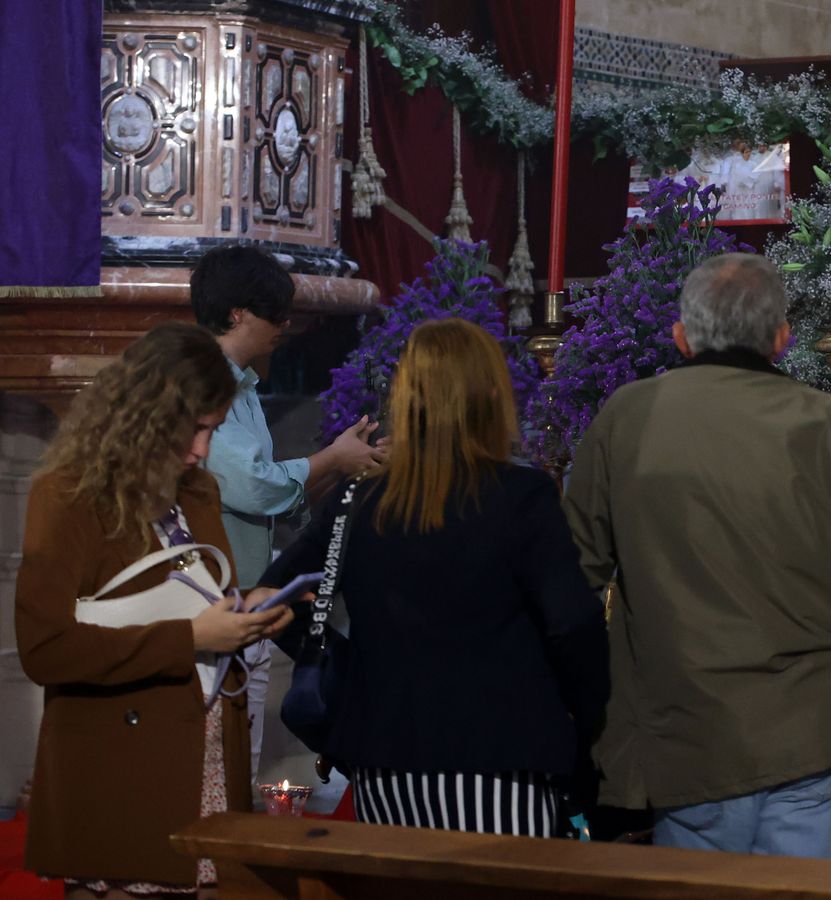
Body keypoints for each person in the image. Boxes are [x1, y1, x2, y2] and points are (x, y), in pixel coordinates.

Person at [563, 252, 831, 859]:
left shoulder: (627, 418)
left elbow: (572, 577)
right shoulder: (827, 422)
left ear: (681, 336)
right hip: (814, 726)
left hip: (683, 727)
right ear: (782, 338)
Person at [260, 318, 608, 836]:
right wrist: (588, 723)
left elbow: (271, 597)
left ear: (406, 399)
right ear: (491, 395)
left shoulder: (359, 499)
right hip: (500, 754)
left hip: (384, 756)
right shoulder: (521, 496)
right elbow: (574, 624)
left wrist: (346, 668)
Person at [16, 322, 295, 898]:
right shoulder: (69, 496)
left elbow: (197, 598)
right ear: (144, 416)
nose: (201, 451)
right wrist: (191, 638)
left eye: (213, 431)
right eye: (192, 430)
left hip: (206, 761)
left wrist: (246, 610)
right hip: (122, 772)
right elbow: (46, 649)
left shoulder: (197, 490)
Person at [189, 244, 386, 778]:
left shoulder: (244, 385)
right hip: (212, 602)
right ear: (238, 313)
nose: (285, 324)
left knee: (241, 760)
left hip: (245, 595)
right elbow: (253, 487)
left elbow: (273, 499)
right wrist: (332, 459)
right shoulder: (205, 380)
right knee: (219, 766)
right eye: (275, 312)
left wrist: (347, 464)